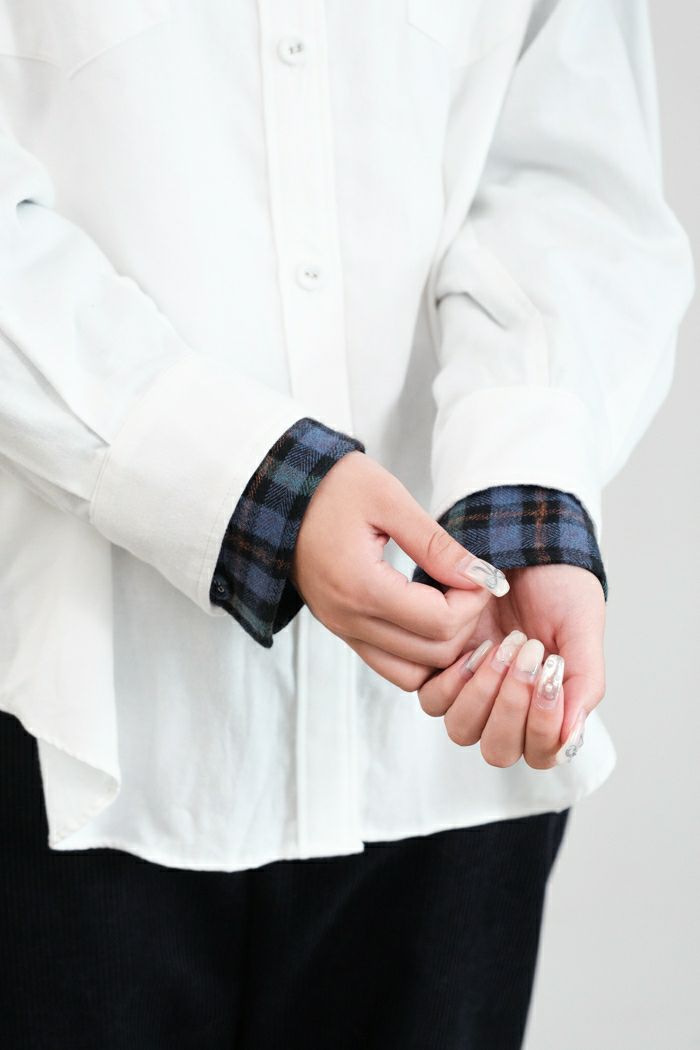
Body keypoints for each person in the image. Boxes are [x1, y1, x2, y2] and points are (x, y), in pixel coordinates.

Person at [0, 1, 692, 1047]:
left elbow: (571, 169)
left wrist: (522, 500)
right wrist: (255, 488)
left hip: (447, 744)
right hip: (70, 710)